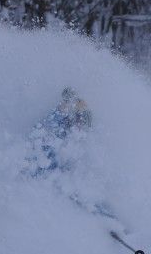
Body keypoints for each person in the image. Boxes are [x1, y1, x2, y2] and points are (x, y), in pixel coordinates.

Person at [23, 87, 118, 222]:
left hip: (58, 177)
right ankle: (105, 219)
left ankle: (110, 218)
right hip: (42, 181)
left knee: (89, 190)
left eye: (83, 123)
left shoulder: (72, 133)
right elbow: (43, 156)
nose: (81, 126)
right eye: (80, 120)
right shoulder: (54, 123)